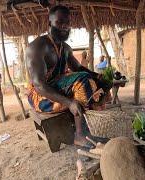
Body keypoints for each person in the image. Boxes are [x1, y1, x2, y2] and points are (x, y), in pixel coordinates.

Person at [26, 5, 112, 148]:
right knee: (83, 81)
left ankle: (94, 127)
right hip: (40, 96)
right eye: (59, 23)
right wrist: (69, 103)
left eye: (67, 23)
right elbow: (39, 85)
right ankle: (79, 134)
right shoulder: (37, 47)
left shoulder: (65, 48)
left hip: (59, 88)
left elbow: (77, 68)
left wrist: (99, 77)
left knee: (93, 81)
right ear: (49, 24)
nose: (64, 27)